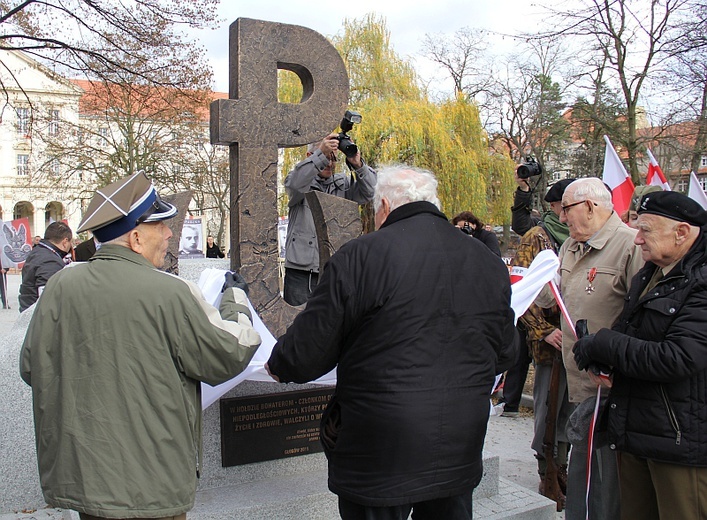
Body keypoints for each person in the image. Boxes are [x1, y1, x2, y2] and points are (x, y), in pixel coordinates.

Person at [266, 165, 518, 520]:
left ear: (384, 203)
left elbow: (310, 350)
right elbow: (506, 351)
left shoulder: (360, 256)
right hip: (459, 440)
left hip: (380, 447)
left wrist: (279, 364)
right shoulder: (487, 262)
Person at [20, 171, 261, 520]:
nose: (168, 234)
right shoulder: (171, 292)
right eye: (161, 227)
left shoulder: (60, 286)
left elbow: (32, 369)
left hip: (85, 484)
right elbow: (230, 353)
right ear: (135, 237)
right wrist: (236, 299)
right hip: (151, 489)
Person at [572, 191, 707, 520]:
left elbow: (679, 357)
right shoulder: (652, 273)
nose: (637, 240)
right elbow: (634, 334)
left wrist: (605, 344)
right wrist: (602, 356)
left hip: (679, 443)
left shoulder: (700, 282)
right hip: (638, 429)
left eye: (645, 230)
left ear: (682, 232)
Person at [536, 177, 644, 520]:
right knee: (584, 476)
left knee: (609, 483)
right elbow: (553, 296)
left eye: (566, 210)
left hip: (611, 385)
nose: (563, 218)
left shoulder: (630, 246)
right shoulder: (570, 246)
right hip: (577, 381)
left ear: (590, 206)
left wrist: (617, 366)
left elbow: (642, 319)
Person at [511, 178, 575, 504]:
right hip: (550, 343)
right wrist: (542, 330)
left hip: (578, 344)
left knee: (570, 412)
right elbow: (522, 289)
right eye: (565, 206)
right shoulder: (536, 238)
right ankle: (548, 471)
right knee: (549, 413)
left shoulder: (579, 239)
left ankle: (565, 469)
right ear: (555, 206)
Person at [283, 133, 376, 306]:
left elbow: (370, 192)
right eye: (326, 157)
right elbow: (294, 184)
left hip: (335, 271)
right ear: (311, 156)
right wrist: (320, 154)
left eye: (333, 158)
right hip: (301, 272)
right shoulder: (300, 181)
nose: (330, 163)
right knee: (296, 327)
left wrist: (358, 164)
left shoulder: (344, 185)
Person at [19, 221, 73, 312]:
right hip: (39, 316)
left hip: (29, 309)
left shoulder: (37, 252)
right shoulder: (51, 261)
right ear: (65, 241)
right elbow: (50, 298)